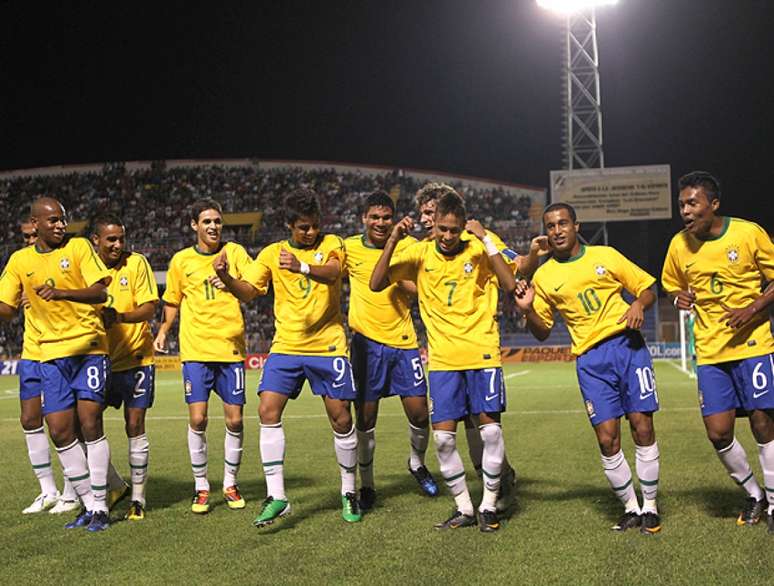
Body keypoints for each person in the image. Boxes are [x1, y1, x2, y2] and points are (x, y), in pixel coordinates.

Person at [214, 188, 361, 526]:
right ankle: (277, 496)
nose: (309, 232)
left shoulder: (332, 244)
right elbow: (249, 293)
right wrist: (225, 277)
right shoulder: (271, 254)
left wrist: (302, 266)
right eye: (302, 227)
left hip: (328, 346)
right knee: (267, 409)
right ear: (288, 225)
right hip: (287, 347)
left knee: (341, 418)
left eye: (313, 226)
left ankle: (349, 491)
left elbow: (334, 272)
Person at [370, 190, 516, 532]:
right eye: (442, 229)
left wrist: (486, 240)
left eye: (455, 230)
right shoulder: (419, 253)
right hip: (443, 360)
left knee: (490, 432)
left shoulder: (479, 246)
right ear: (433, 225)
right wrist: (393, 239)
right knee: (444, 440)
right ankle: (464, 508)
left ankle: (489, 506)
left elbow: (510, 282)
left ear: (463, 226)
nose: (448, 237)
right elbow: (376, 283)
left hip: (482, 353)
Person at [513, 202, 662, 534]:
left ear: (576, 226)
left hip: (628, 347)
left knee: (642, 426)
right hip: (590, 361)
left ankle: (650, 506)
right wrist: (527, 311)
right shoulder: (544, 275)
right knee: (607, 439)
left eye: (563, 223)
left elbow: (647, 289)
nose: (557, 230)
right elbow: (541, 332)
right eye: (550, 226)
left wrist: (638, 303)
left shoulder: (605, 256)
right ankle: (630, 507)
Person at [414, 182, 547, 512]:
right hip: (444, 351)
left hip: (477, 343)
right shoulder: (420, 251)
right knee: (454, 428)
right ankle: (492, 484)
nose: (428, 219)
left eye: (433, 212)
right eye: (425, 214)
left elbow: (517, 269)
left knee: (479, 423)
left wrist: (530, 254)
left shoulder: (476, 241)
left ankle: (497, 483)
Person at [662, 171, 774, 533]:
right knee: (718, 432)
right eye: (682, 204)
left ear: (714, 204)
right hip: (710, 350)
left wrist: (752, 309)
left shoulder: (747, 232)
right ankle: (754, 494)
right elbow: (671, 285)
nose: (685, 210)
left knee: (762, 421)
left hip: (754, 344)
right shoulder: (679, 245)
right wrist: (678, 296)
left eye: (693, 203)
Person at [0, 197, 113, 532]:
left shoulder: (79, 248)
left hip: (88, 347)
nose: (60, 225)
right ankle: (86, 503)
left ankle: (101, 506)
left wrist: (63, 293)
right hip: (48, 354)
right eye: (52, 220)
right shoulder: (19, 260)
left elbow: (99, 294)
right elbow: (6, 308)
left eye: (62, 219)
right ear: (35, 225)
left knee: (90, 423)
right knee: (61, 431)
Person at [153, 198, 251, 514]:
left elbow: (252, 286)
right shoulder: (181, 260)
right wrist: (164, 331)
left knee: (234, 420)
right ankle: (201, 487)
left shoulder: (234, 253)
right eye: (206, 221)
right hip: (196, 350)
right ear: (195, 225)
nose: (213, 226)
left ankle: (230, 483)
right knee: (198, 418)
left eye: (217, 221)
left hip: (230, 348)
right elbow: (173, 300)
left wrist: (228, 280)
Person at [343, 190, 438, 510]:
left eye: (386, 217)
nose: (381, 223)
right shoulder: (348, 248)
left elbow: (422, 285)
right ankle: (367, 485)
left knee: (420, 413)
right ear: (363, 219)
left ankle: (416, 462)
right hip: (365, 346)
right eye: (375, 217)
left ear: (394, 219)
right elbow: (328, 275)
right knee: (366, 419)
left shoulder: (409, 246)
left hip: (403, 342)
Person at [91, 215, 158, 520]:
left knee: (134, 426)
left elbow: (148, 308)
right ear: (96, 240)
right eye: (111, 240)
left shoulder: (137, 263)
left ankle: (139, 499)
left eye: (121, 238)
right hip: (98, 360)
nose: (118, 245)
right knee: (84, 426)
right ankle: (116, 484)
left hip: (136, 359)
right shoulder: (86, 269)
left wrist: (117, 317)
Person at [15, 217, 80, 515]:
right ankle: (47, 491)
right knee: (30, 419)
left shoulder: (64, 256)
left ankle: (72, 491)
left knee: (64, 424)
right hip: (31, 351)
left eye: (32, 236)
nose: (30, 241)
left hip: (62, 350)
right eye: (26, 236)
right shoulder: (22, 264)